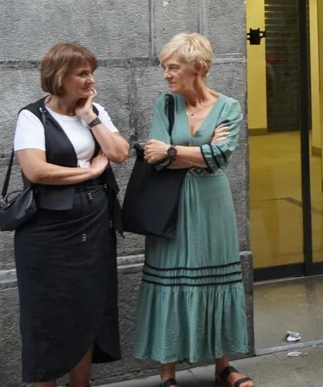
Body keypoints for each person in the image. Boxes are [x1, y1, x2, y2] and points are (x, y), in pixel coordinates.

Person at [133, 33, 249, 387]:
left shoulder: (229, 107)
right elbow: (153, 157)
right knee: (170, 279)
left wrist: (173, 151)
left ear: (198, 67)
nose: (166, 75)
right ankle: (167, 373)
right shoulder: (165, 105)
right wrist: (195, 153)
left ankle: (223, 366)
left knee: (217, 278)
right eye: (164, 67)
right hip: (171, 203)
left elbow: (220, 156)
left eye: (173, 67)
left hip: (213, 205)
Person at [12, 43, 129, 387]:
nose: (91, 80)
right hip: (47, 232)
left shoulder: (95, 111)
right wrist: (89, 172)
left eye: (91, 72)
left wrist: (90, 118)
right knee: (47, 313)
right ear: (60, 76)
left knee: (88, 305)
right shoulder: (32, 116)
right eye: (82, 73)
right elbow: (36, 170)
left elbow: (119, 152)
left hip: (93, 225)